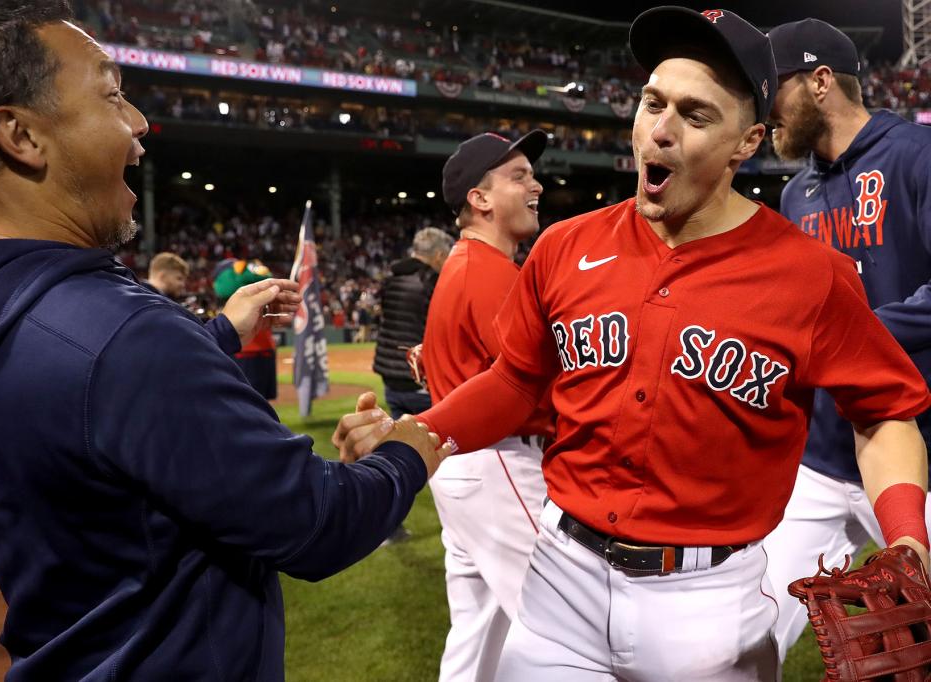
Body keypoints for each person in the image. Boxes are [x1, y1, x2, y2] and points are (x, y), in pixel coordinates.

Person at [339, 8, 931, 681]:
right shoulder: (565, 247)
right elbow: (516, 380)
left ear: (747, 142)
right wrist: (420, 430)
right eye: (653, 102)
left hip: (708, 605)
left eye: (696, 115)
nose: (661, 129)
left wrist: (907, 534)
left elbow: (883, 410)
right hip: (561, 581)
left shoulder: (810, 274)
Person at [0, 2, 449, 680]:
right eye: (111, 95)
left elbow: (88, 406)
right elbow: (316, 522)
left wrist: (218, 331)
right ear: (20, 134)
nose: (137, 124)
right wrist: (406, 454)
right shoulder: (123, 336)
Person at [762, 18, 931, 661]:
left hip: (917, 446)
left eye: (772, 91)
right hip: (823, 455)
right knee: (750, 634)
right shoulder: (794, 192)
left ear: (821, 82)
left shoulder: (918, 156)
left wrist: (851, 337)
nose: (763, 110)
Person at [423, 130, 552, 681]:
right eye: (519, 177)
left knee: (477, 639)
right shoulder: (490, 271)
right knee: (564, 626)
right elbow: (535, 384)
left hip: (464, 466)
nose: (536, 186)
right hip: (500, 462)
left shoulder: (465, 263)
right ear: (480, 199)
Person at [372, 226, 454, 545]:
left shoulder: (391, 277)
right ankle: (461, 529)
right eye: (445, 256)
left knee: (398, 450)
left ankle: (389, 528)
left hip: (391, 374)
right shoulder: (429, 280)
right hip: (418, 375)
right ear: (435, 255)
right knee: (445, 452)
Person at [213, 258, 280, 400]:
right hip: (246, 351)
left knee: (256, 402)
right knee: (250, 401)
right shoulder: (234, 295)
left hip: (255, 349)